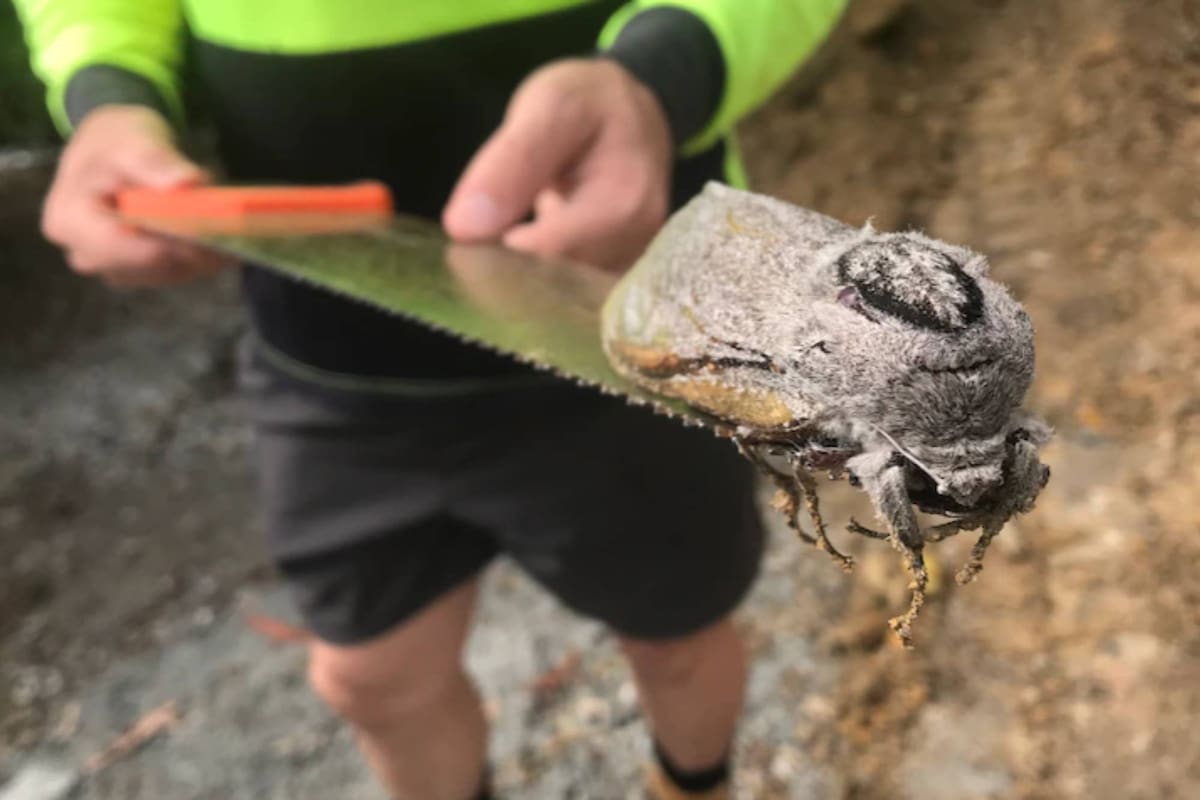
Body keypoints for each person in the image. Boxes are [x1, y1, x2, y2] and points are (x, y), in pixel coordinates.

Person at [15, 2, 847, 798]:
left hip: (627, 322)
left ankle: (694, 786)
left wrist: (661, 75)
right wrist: (109, 92)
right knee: (373, 680)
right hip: (327, 349)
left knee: (679, 635)